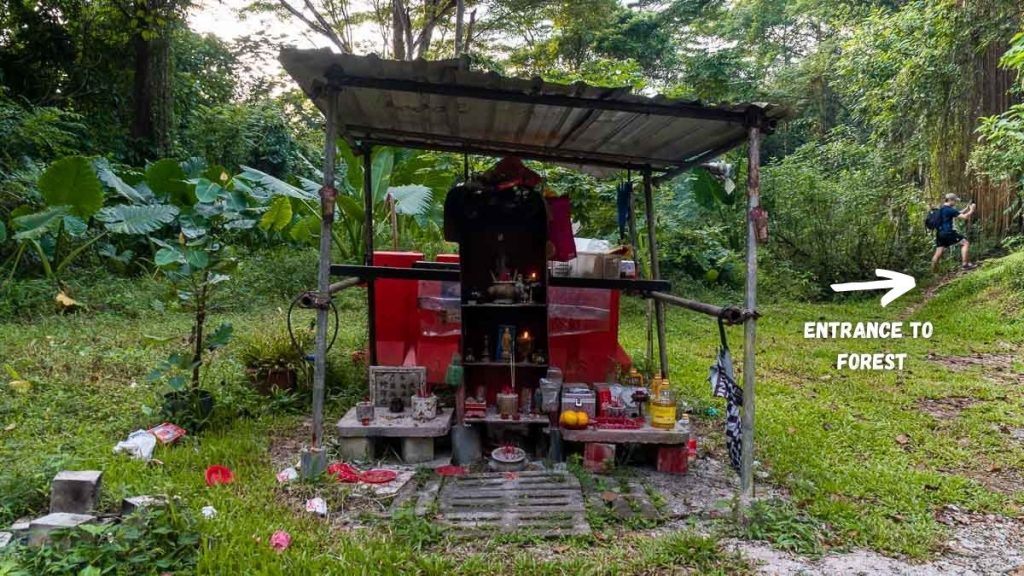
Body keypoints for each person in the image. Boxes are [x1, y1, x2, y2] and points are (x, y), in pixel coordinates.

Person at [931, 193, 976, 271]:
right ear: (950, 200)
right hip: (948, 232)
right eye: (955, 201)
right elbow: (965, 217)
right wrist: (972, 210)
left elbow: (956, 213)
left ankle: (934, 271)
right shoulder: (949, 209)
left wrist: (966, 208)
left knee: (938, 252)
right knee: (965, 243)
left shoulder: (941, 209)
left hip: (940, 234)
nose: (955, 202)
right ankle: (965, 265)